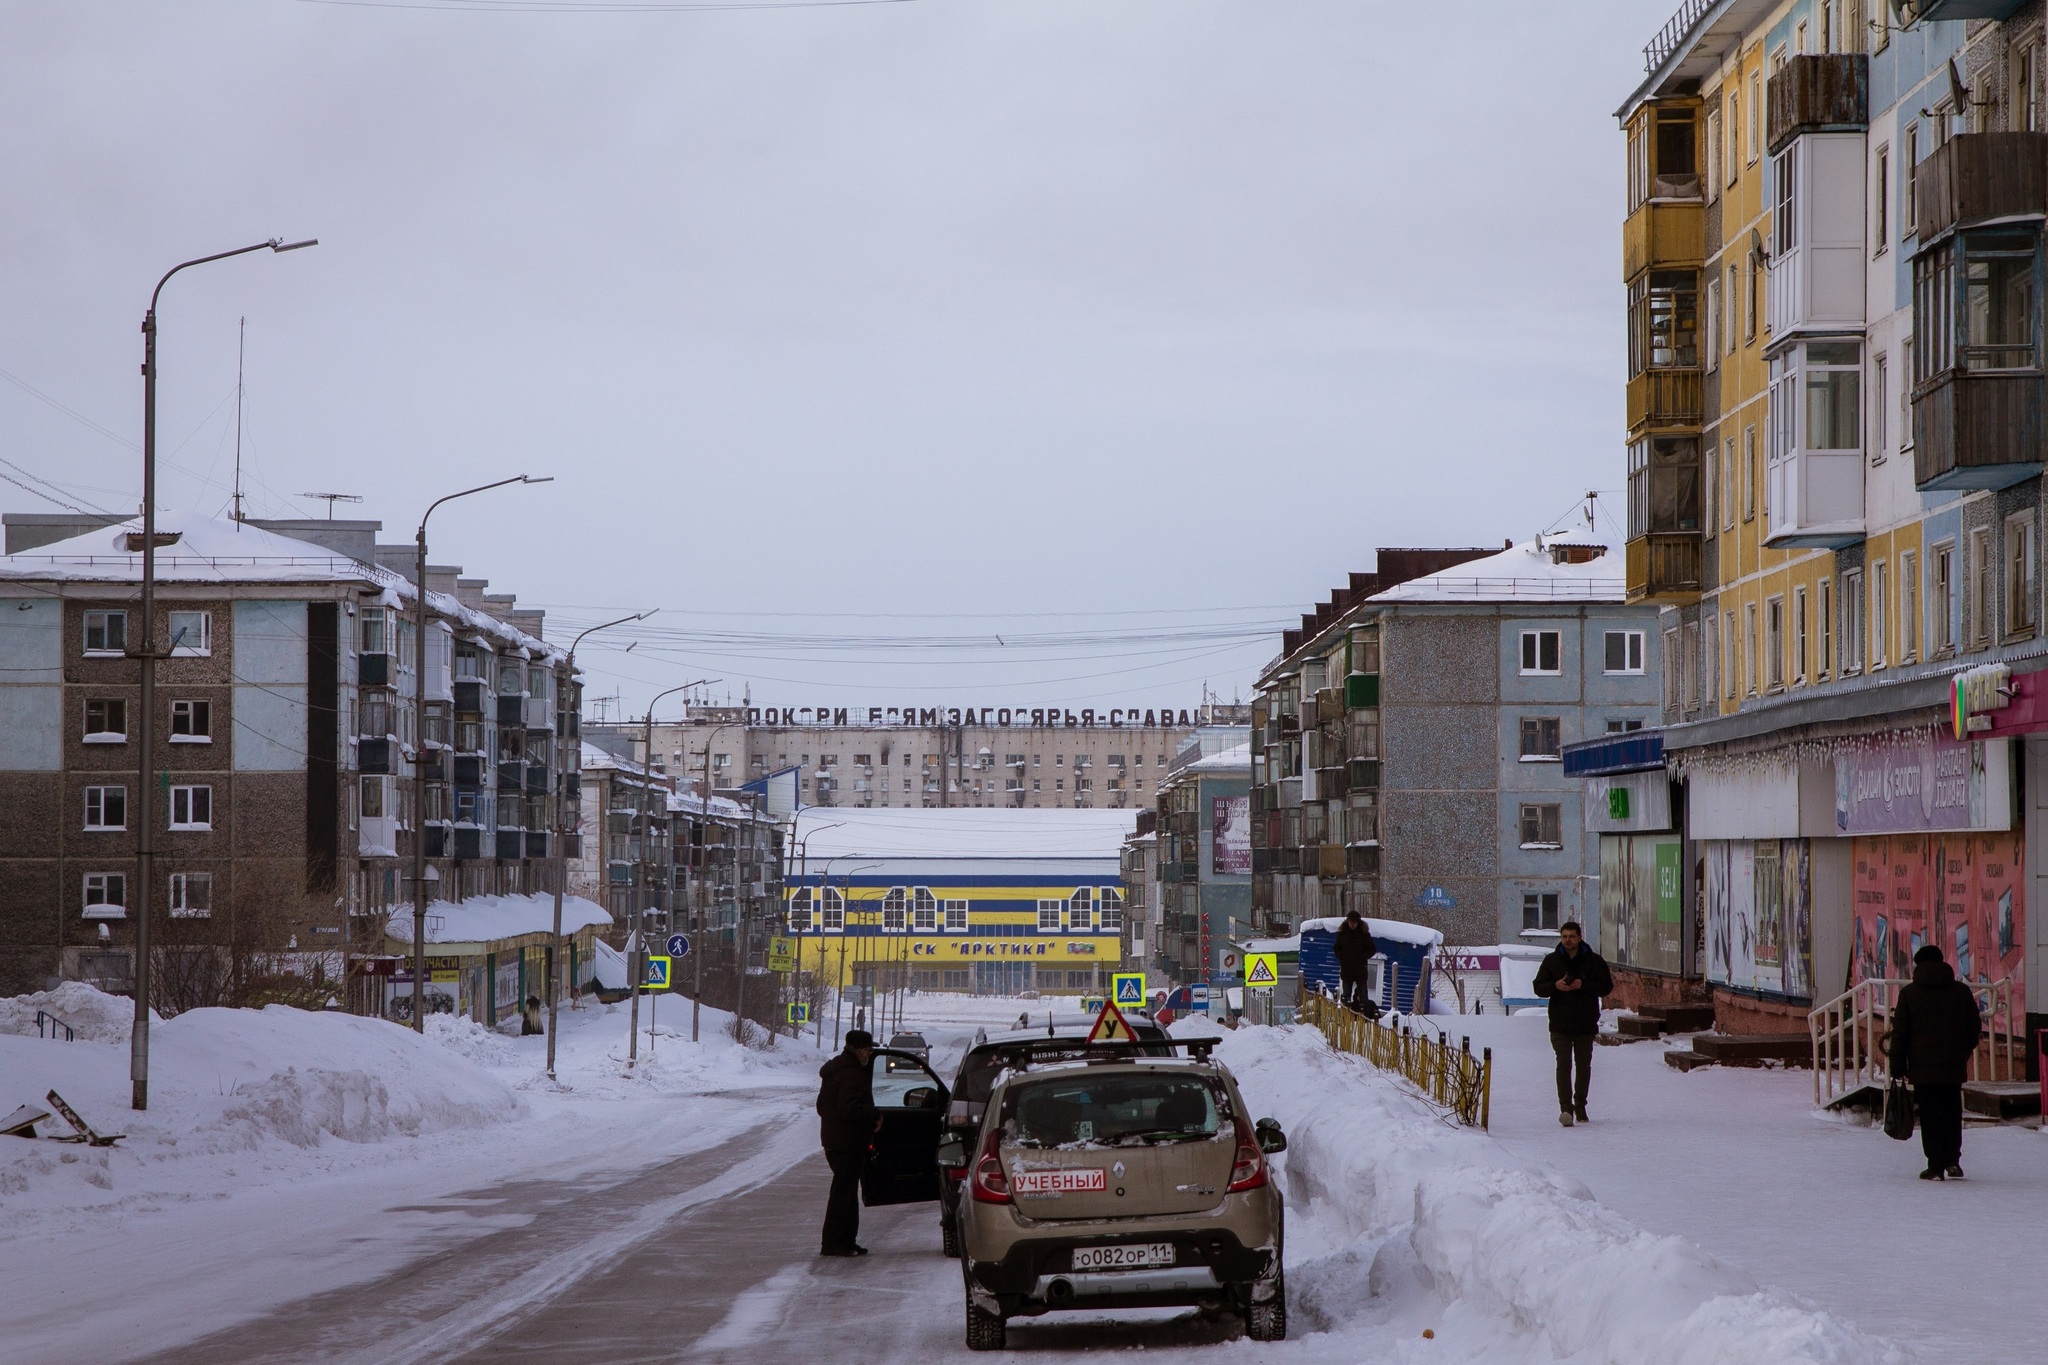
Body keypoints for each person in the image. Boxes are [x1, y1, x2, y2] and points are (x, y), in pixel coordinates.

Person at [1890, 944, 1983, 1180]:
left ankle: (1935, 1165)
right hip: (1952, 1066)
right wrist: (1962, 1051)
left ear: (1918, 965)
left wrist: (1897, 1064)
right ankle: (1953, 1160)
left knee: (1930, 1114)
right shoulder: (1960, 992)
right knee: (1952, 1111)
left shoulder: (1909, 994)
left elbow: (1900, 1033)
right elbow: (1974, 1027)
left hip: (1923, 1069)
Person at [1533, 921, 1612, 1127]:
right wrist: (1555, 986)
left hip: (1585, 1023)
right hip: (1560, 1024)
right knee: (1563, 1066)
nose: (1568, 940)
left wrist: (1583, 984)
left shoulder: (1593, 961)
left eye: (1572, 936)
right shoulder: (1552, 961)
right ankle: (1566, 1109)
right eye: (1564, 936)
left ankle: (1580, 1105)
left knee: (1584, 1067)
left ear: (1579, 937)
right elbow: (1538, 987)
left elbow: (1606, 986)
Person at [816, 1028, 880, 1256]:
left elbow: (821, 1107)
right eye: (868, 1050)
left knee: (845, 1192)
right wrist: (873, 1115)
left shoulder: (836, 1071)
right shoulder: (852, 1074)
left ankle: (844, 1241)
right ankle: (835, 1243)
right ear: (859, 1050)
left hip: (835, 1141)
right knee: (844, 1194)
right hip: (848, 1143)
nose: (869, 1055)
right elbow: (849, 1108)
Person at [1333, 909, 1378, 1013]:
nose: (1351, 924)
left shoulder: (1364, 933)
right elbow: (1336, 948)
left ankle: (1366, 1016)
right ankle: (1345, 1017)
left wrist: (1362, 957)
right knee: (1346, 996)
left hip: (1360, 969)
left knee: (1363, 996)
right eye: (1350, 922)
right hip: (1347, 968)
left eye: (1353, 922)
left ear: (1358, 922)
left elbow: (1372, 948)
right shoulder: (1343, 933)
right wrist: (1342, 956)